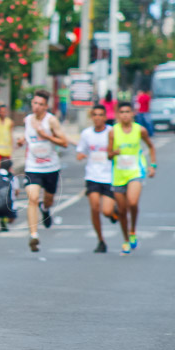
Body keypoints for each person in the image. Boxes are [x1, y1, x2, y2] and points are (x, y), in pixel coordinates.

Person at [16, 89, 67, 252]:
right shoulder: (28, 120)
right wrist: (21, 140)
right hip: (33, 167)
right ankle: (34, 235)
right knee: (32, 198)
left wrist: (46, 136)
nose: (37, 107)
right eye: (35, 103)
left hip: (51, 167)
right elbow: (28, 135)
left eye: (41, 104)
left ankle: (45, 209)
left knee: (48, 200)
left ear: (46, 107)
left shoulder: (51, 121)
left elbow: (64, 142)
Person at [109, 101, 157, 255]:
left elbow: (151, 146)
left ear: (132, 114)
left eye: (127, 111)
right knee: (122, 211)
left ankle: (133, 231)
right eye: (122, 112)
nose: (125, 115)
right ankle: (125, 240)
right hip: (118, 174)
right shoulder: (113, 132)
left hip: (135, 172)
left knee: (132, 201)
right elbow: (108, 154)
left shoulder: (140, 130)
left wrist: (153, 165)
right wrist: (113, 153)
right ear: (118, 114)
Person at [75, 104, 118, 253]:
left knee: (106, 211)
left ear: (105, 117)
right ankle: (101, 240)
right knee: (94, 208)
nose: (98, 118)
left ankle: (113, 213)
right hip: (92, 176)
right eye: (95, 115)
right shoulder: (86, 134)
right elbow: (80, 151)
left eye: (101, 115)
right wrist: (80, 155)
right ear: (91, 117)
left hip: (109, 177)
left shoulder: (112, 132)